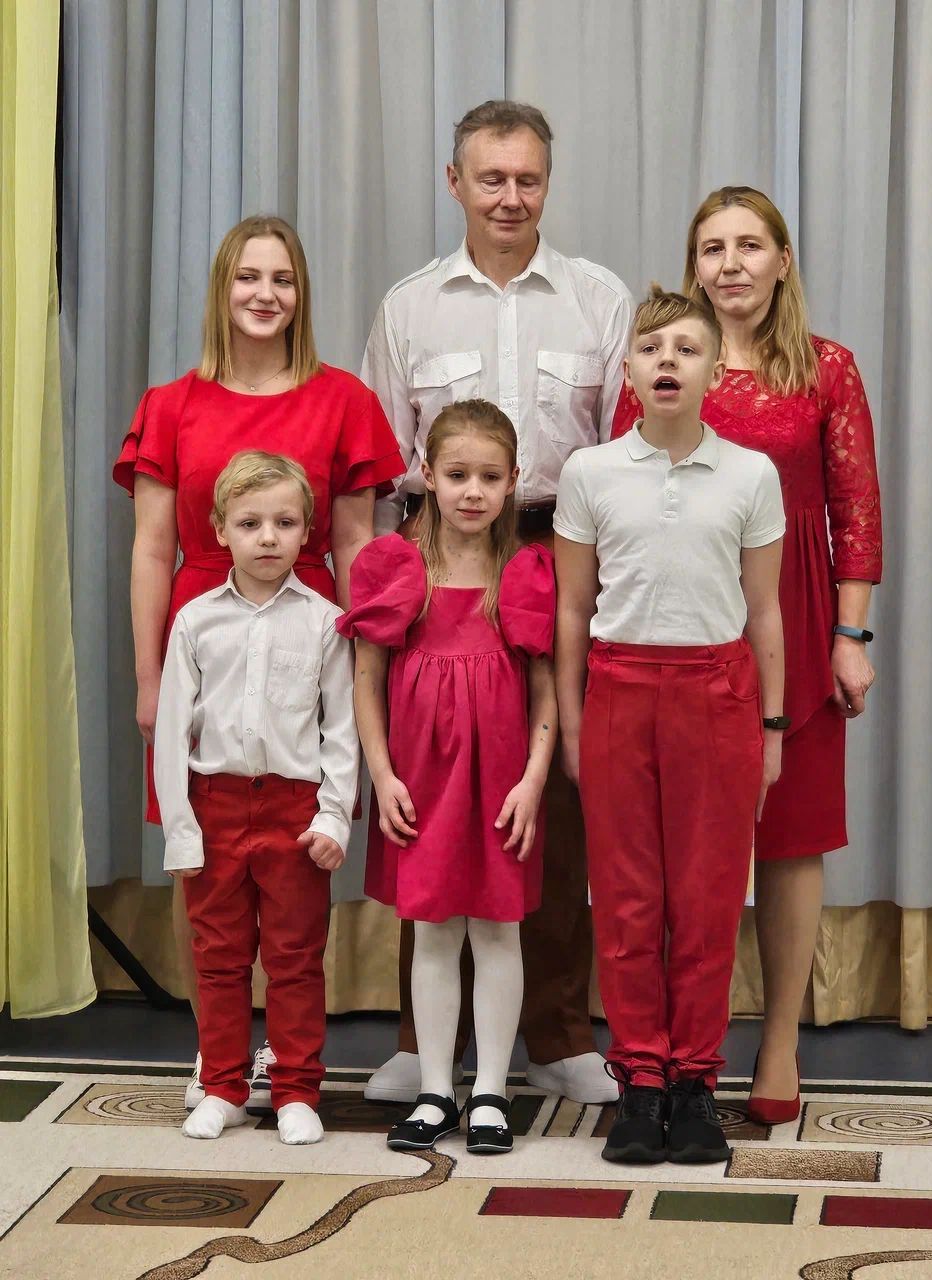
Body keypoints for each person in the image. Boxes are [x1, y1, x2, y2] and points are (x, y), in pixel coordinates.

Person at [361, 98, 633, 1106]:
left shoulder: (598, 298)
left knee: (549, 790)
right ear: (455, 183)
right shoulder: (410, 307)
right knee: (429, 785)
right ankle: (421, 1042)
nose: (510, 196)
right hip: (436, 556)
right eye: (491, 178)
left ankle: (557, 1033)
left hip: (562, 549)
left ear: (546, 183)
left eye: (527, 179)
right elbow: (382, 464)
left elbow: (626, 449)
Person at [113, 215, 404, 1109]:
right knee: (201, 855)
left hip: (308, 642)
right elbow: (152, 548)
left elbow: (356, 545)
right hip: (202, 643)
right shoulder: (171, 404)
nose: (264, 294)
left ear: (300, 293)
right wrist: (149, 677)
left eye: (281, 278)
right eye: (248, 277)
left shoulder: (343, 399)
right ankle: (219, 1058)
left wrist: (366, 672)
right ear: (222, 289)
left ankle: (292, 1057)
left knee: (295, 853)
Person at [611, 188, 883, 1123]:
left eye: (750, 246)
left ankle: (778, 1043)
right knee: (683, 843)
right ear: (694, 265)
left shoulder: (827, 367)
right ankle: (677, 1051)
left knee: (792, 836)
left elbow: (855, 509)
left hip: (794, 616)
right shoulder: (661, 359)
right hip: (680, 615)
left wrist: (850, 636)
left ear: (782, 261)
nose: (730, 264)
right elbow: (622, 490)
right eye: (712, 248)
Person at [556, 286, 786, 1163]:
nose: (667, 362)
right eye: (652, 349)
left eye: (687, 350)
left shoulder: (749, 475)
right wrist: (572, 723)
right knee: (626, 897)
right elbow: (573, 610)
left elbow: (763, 612)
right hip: (619, 689)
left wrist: (770, 727)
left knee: (707, 896)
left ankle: (694, 1082)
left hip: (717, 694)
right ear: (628, 370)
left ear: (713, 372)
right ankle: (641, 1082)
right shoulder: (592, 472)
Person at [338, 401, 556, 1154]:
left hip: (501, 783)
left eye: (490, 477)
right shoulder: (395, 565)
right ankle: (436, 1089)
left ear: (513, 481)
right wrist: (382, 775)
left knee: (497, 929)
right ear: (426, 475)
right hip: (421, 781)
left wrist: (533, 782)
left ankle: (491, 1091)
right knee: (432, 931)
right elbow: (365, 679)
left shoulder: (524, 571)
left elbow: (546, 692)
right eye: (457, 475)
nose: (473, 491)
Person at [154, 451, 359, 1144]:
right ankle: (223, 1086)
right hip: (215, 806)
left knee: (295, 956)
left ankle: (297, 1090)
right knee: (219, 956)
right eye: (250, 523)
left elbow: (341, 731)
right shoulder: (195, 621)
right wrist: (181, 830)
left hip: (294, 812)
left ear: (307, 532)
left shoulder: (326, 623)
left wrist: (334, 817)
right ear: (220, 530)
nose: (268, 537)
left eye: (285, 523)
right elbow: (172, 734)